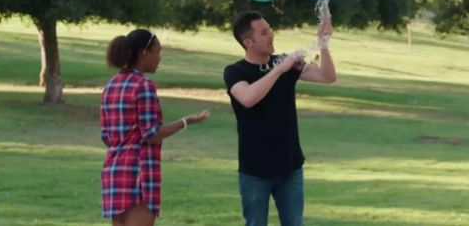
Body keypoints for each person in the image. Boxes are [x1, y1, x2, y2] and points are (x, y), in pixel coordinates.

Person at [223, 11, 337, 226]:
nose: (271, 35)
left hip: (290, 168)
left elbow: (327, 77)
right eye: (264, 33)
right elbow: (248, 98)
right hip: (255, 172)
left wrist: (324, 44)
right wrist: (279, 69)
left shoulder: (285, 63)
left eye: (270, 30)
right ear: (248, 42)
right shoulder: (235, 72)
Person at [100, 29, 209, 226]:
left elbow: (106, 136)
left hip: (114, 172)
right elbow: (151, 134)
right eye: (157, 52)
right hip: (139, 173)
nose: (160, 58)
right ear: (144, 54)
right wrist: (186, 121)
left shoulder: (111, 85)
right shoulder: (144, 86)